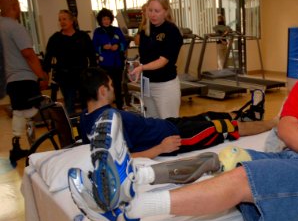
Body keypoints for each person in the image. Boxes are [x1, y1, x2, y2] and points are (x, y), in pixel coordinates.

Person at [70, 26, 298, 221]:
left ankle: (130, 212)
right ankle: (136, 176)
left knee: (241, 180)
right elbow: (288, 126)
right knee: (221, 160)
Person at [79, 67, 275, 159]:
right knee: (224, 127)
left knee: (209, 115)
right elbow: (122, 158)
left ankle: (249, 114)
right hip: (176, 138)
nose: (114, 89)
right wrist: (160, 149)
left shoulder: (85, 119)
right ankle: (273, 123)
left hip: (167, 124)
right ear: (102, 91)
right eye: (111, 86)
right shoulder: (111, 121)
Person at [0, 0, 49, 167]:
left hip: (10, 79)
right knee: (29, 113)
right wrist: (42, 76)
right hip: (23, 77)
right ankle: (32, 148)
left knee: (19, 112)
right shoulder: (15, 27)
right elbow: (28, 54)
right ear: (14, 6)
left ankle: (17, 146)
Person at [129, 0, 183, 119]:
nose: (152, 14)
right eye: (150, 10)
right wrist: (138, 65)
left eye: (157, 11)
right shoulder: (145, 30)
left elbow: (162, 61)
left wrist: (142, 68)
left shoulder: (172, 31)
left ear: (165, 11)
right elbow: (146, 57)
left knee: (168, 125)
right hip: (147, 83)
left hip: (165, 85)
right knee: (151, 123)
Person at [43, 9, 97, 115]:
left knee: (86, 103)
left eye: (64, 19)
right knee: (69, 103)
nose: (62, 22)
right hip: (65, 76)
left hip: (82, 74)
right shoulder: (55, 38)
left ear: (72, 21)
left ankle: (87, 126)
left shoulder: (82, 36)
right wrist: (44, 75)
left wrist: (92, 72)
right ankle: (72, 129)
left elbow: (91, 56)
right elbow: (48, 58)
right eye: (60, 20)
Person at [93, 8, 128, 110]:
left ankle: (120, 107)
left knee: (117, 85)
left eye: (108, 19)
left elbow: (124, 43)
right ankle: (105, 107)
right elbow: (94, 46)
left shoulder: (116, 30)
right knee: (105, 86)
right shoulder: (98, 32)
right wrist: (102, 47)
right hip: (105, 64)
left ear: (111, 19)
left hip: (117, 63)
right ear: (100, 20)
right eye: (104, 19)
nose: (106, 21)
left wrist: (118, 46)